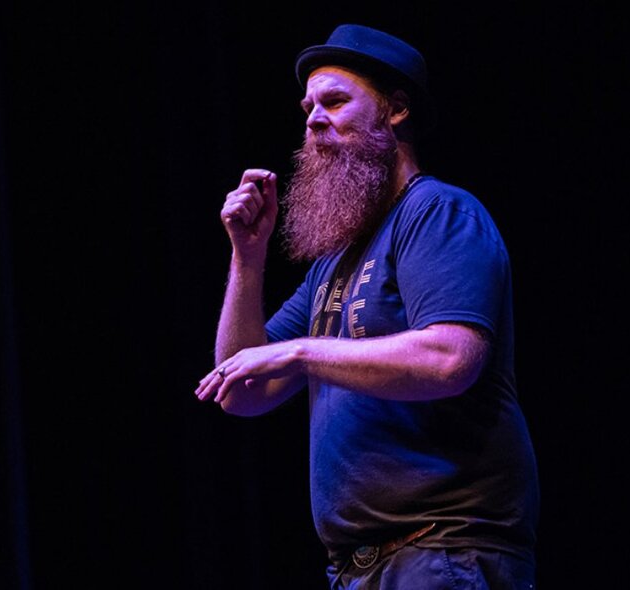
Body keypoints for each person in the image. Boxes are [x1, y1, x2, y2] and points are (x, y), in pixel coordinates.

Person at [195, 23, 539, 589]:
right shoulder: (334, 262)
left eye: (333, 101)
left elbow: (450, 358)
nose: (311, 119)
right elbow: (240, 389)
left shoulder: (438, 213)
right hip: (361, 568)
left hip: (444, 551)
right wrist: (248, 258)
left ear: (396, 110)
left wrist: (302, 353)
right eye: (307, 106)